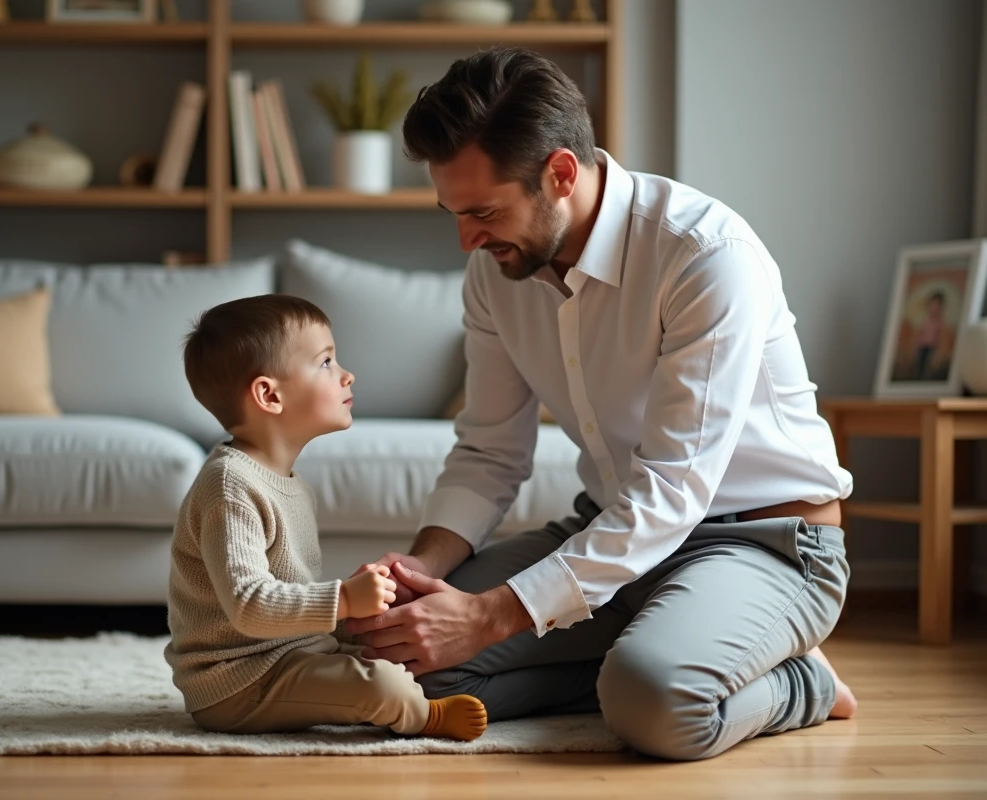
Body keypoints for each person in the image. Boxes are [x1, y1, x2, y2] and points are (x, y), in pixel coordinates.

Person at [343, 47, 857, 761]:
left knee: (656, 707)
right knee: (396, 663)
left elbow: (674, 489)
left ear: (560, 174)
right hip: (612, 532)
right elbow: (489, 451)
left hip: (762, 543)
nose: (466, 239)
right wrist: (419, 574)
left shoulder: (705, 255)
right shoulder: (495, 274)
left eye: (484, 211)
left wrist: (489, 616)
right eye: (452, 212)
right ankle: (651, 659)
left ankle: (799, 679)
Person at [163, 294, 488, 741]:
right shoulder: (229, 485)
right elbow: (248, 606)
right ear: (269, 395)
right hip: (239, 681)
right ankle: (423, 717)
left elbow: (288, 594)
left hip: (288, 655)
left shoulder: (290, 482)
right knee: (385, 685)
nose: (346, 374)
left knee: (398, 641)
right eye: (326, 362)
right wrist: (344, 600)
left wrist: (360, 616)